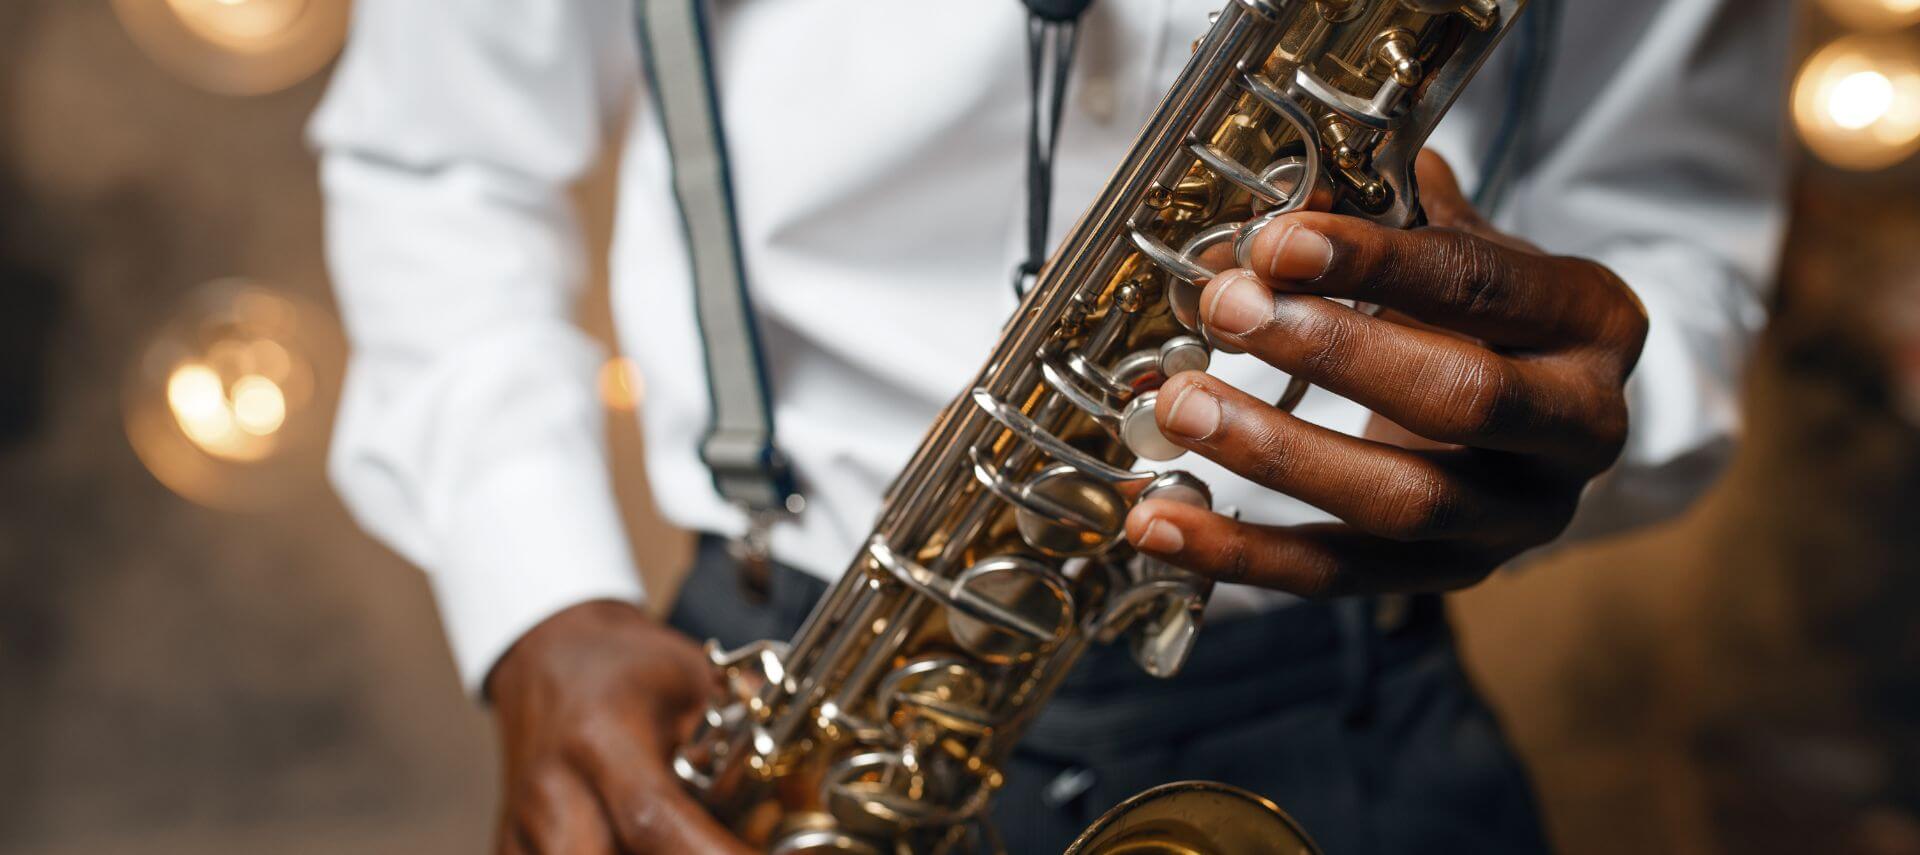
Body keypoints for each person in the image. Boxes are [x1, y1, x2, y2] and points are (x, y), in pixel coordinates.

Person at [310, 1, 1792, 852]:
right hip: (784, 707)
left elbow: (1667, 236)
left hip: (1351, 705)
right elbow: (437, 158)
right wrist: (537, 600)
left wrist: (1590, 409)